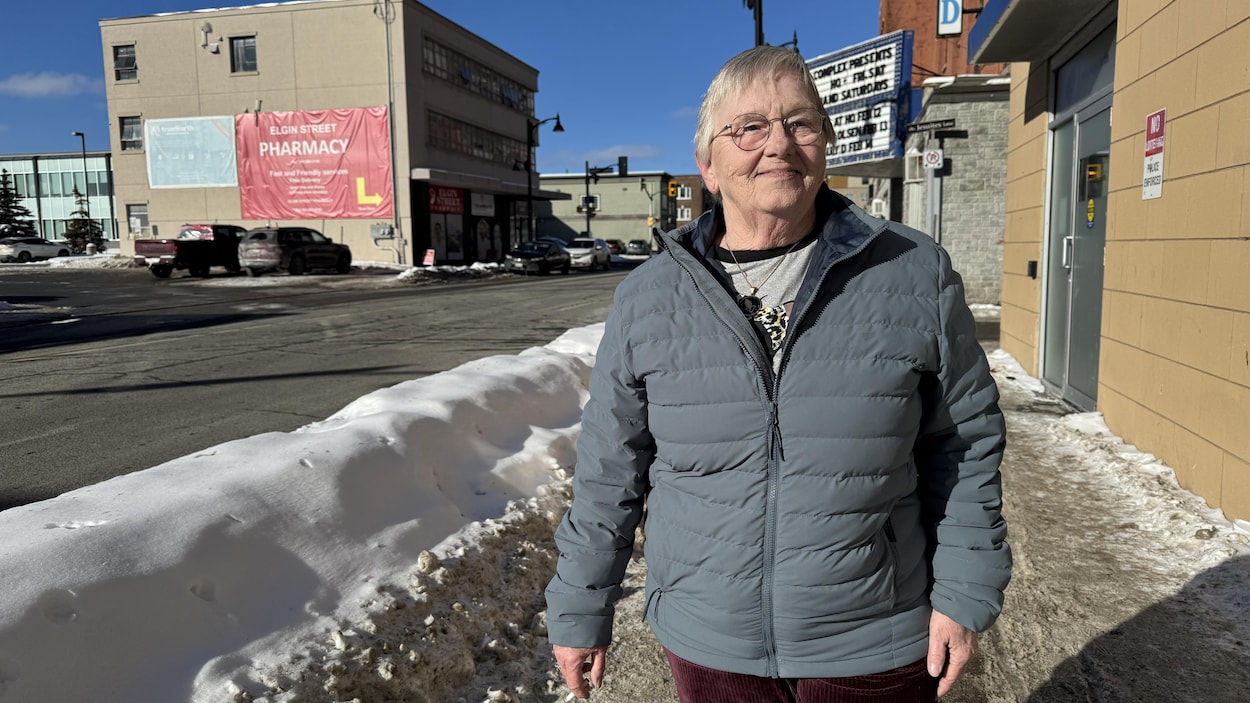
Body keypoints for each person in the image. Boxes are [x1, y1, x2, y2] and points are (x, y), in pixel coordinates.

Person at [545, 45, 1010, 703]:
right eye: (749, 128)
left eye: (801, 123)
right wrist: (580, 607)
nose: (780, 145)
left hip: (873, 639)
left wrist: (964, 592)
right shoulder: (649, 297)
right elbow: (608, 470)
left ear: (824, 145)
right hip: (711, 643)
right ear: (708, 165)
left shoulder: (912, 273)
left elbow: (961, 445)